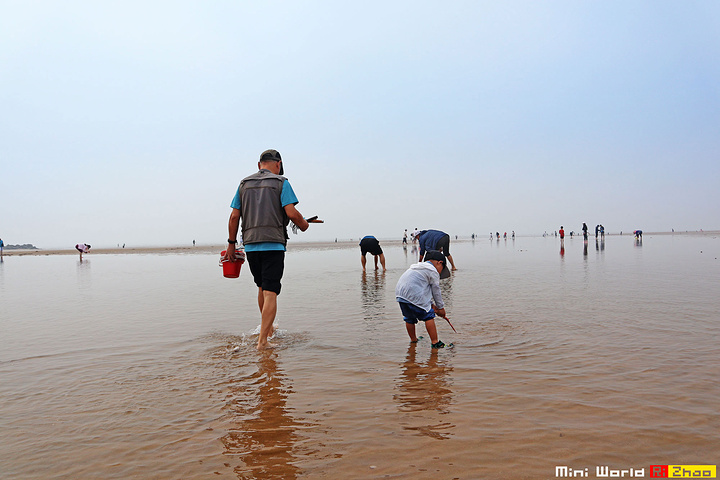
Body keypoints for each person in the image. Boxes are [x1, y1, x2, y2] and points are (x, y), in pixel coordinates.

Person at [225, 149, 322, 350]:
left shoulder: (243, 184)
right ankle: (263, 342)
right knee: (271, 291)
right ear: (278, 164)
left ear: (259, 164)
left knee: (261, 287)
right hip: (273, 244)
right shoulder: (281, 182)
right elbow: (291, 213)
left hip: (251, 245)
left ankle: (267, 331)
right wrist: (304, 225)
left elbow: (234, 217)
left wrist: (231, 244)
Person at [395, 250, 451, 349]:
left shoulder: (416, 267)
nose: (440, 272)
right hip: (413, 294)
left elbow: (422, 290)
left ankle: (413, 340)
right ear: (439, 263)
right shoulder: (432, 271)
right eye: (441, 269)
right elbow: (436, 291)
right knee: (428, 316)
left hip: (400, 295)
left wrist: (432, 305)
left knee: (409, 318)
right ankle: (435, 343)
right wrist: (441, 308)